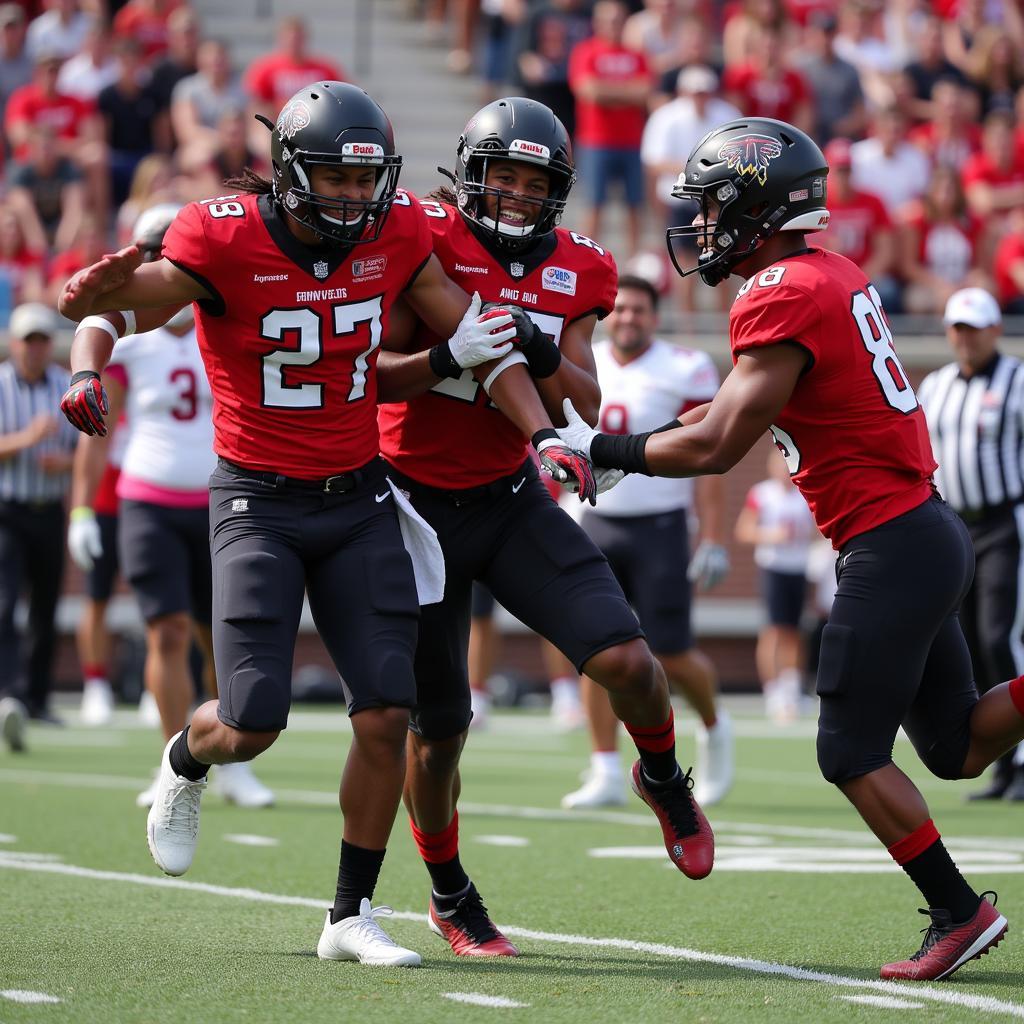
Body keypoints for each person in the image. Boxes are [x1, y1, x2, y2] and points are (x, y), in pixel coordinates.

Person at [57, 81, 589, 967]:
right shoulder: (222, 233)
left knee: (388, 713)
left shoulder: (400, 233)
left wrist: (542, 435)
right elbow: (120, 305)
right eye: (334, 179)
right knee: (254, 720)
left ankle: (349, 913)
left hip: (358, 497)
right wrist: (85, 359)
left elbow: (481, 337)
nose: (352, 196)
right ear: (290, 172)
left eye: (364, 179)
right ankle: (188, 760)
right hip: (258, 500)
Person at [554, 116, 1024, 982]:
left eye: (712, 207)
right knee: (956, 748)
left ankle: (959, 913)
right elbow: (726, 413)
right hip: (926, 530)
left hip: (889, 541)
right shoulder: (830, 273)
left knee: (847, 753)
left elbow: (719, 445)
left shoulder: (782, 289)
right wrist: (633, 446)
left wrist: (606, 453)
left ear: (756, 205)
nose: (700, 226)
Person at [376, 96, 717, 960]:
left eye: (537, 183)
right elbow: (371, 377)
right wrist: (453, 355)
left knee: (628, 660)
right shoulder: (422, 237)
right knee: (440, 727)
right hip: (411, 505)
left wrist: (535, 342)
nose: (520, 196)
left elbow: (587, 400)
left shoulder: (579, 268)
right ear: (471, 175)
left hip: (506, 493)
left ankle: (665, 779)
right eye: (506, 177)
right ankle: (451, 894)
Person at [68, 202, 274, 808]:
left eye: (165, 249)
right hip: (149, 498)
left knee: (223, 638)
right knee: (167, 630)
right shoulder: (125, 335)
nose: (158, 262)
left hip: (223, 500)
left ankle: (227, 757)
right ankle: (172, 765)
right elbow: (96, 427)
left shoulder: (230, 313)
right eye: (149, 250)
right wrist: (83, 509)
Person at [559, 273, 734, 810]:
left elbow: (710, 453)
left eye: (640, 310)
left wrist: (712, 534)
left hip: (660, 525)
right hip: (596, 520)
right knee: (596, 650)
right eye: (623, 309)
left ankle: (714, 728)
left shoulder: (685, 366)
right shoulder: (584, 359)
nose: (630, 318)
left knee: (674, 654)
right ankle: (605, 768)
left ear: (655, 316)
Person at [917, 287, 1024, 801]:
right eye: (958, 328)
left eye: (975, 328)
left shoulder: (1018, 381)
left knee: (1003, 636)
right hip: (957, 527)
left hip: (1008, 523)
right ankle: (1003, 762)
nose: (965, 338)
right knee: (973, 645)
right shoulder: (934, 386)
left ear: (995, 329)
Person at [0, 302, 77, 746]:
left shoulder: (64, 386)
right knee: (6, 601)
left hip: (49, 507)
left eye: (42, 340)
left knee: (46, 607)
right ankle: (9, 693)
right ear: (14, 343)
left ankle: (38, 698)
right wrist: (27, 440)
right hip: (8, 510)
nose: (35, 349)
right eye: (28, 341)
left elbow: (88, 448)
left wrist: (64, 462)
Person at [734, 444, 815, 724]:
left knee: (795, 631)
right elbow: (744, 530)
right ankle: (773, 692)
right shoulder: (762, 494)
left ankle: (792, 689)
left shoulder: (805, 495)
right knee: (774, 630)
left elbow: (818, 531)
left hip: (798, 568)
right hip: (773, 569)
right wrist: (772, 535)